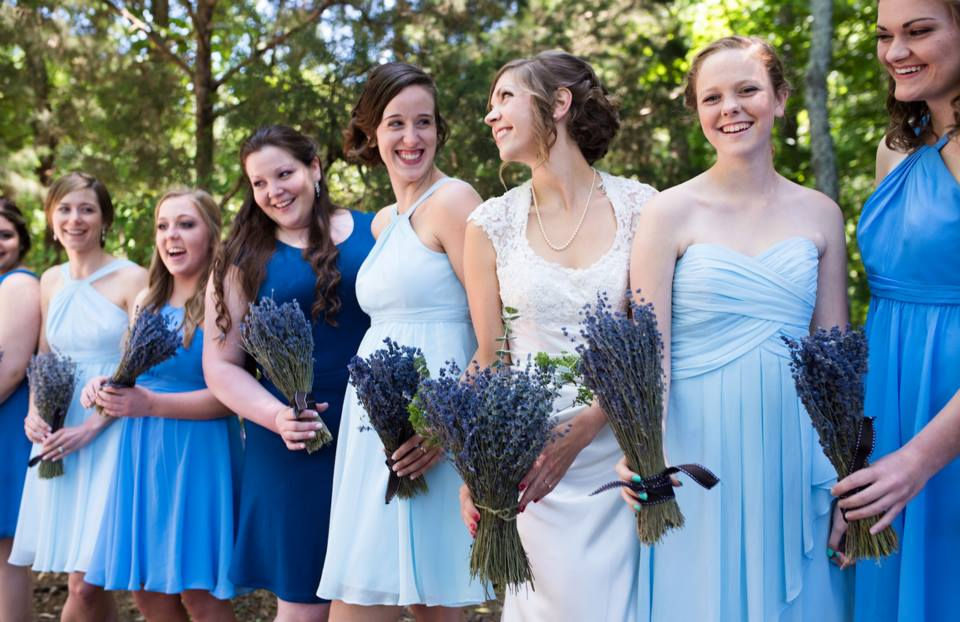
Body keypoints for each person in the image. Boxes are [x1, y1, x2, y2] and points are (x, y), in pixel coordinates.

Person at [617, 36, 852, 621]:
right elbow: (652, 356)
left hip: (797, 450)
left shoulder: (821, 213)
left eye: (747, 90)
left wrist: (847, 476)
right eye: (712, 97)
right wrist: (642, 452)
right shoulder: (668, 213)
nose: (731, 108)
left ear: (779, 98)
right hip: (695, 456)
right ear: (697, 111)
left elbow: (837, 363)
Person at [459, 50, 657, 621]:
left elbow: (650, 337)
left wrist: (593, 421)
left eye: (504, 98)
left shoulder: (643, 207)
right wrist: (476, 462)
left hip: (625, 453)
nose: (491, 116)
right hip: (534, 464)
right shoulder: (489, 224)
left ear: (559, 104)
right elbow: (491, 353)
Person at [317, 63, 487, 620]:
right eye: (395, 123)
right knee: (392, 593)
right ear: (370, 133)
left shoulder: (455, 201)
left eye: (423, 123)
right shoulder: (384, 221)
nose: (411, 138)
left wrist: (444, 426)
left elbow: (494, 335)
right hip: (378, 428)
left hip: (435, 425)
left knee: (428, 600)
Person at [204, 125, 375, 622]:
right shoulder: (241, 259)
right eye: (259, 183)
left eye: (284, 174)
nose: (274, 191)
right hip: (294, 440)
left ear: (315, 168)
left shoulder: (377, 231)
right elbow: (221, 365)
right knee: (304, 606)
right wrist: (277, 416)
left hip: (379, 435)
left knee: (379, 596)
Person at [830, 1, 960, 619]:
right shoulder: (896, 148)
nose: (896, 52)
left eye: (920, 31)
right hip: (887, 402)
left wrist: (919, 460)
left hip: (946, 420)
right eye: (885, 36)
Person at [82, 189, 241, 621]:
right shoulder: (145, 299)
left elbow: (230, 398)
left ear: (211, 234)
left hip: (197, 452)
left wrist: (148, 402)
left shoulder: (222, 296)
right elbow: (135, 376)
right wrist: (105, 385)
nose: (172, 235)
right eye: (163, 225)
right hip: (142, 453)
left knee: (200, 595)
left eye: (186, 224)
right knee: (148, 593)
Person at [12, 172, 147, 622]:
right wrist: (35, 413)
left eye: (87, 209)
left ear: (104, 219)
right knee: (80, 577)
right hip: (60, 433)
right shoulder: (49, 281)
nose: (75, 219)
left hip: (110, 430)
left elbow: (137, 367)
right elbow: (45, 358)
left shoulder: (133, 278)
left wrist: (91, 427)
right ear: (52, 219)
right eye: (65, 209)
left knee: (87, 581)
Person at [0, 199, 40, 621]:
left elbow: (10, 369)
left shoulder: (17, 284)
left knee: (5, 555)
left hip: (6, 424)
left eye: (5, 234)